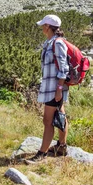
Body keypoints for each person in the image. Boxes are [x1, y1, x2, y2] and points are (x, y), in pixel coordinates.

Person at [26, 14, 70, 164]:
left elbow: (64, 68)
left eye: (43, 25)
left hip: (54, 88)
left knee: (48, 120)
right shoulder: (51, 42)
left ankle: (41, 154)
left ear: (47, 27)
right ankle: (62, 146)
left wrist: (58, 89)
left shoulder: (57, 43)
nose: (42, 28)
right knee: (60, 115)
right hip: (53, 87)